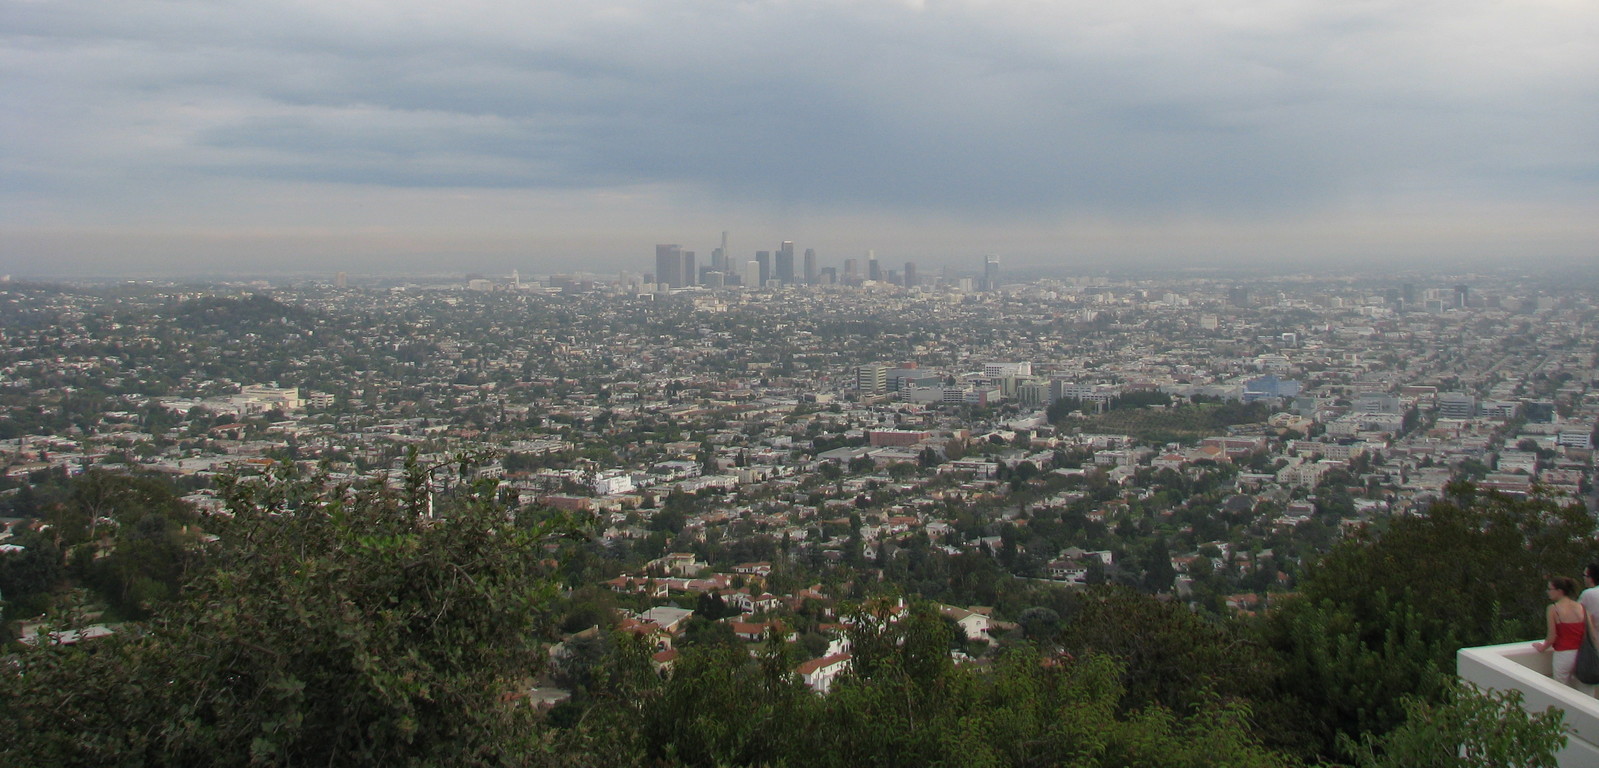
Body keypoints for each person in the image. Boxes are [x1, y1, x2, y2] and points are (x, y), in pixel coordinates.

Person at [1533, 575, 1587, 689]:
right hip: (1581, 654)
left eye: (1550, 589)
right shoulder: (1580, 607)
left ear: (1559, 591)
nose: (1548, 592)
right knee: (1582, 693)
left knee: (1560, 690)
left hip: (1564, 654)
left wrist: (1542, 647)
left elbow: (1552, 637)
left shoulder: (1553, 609)